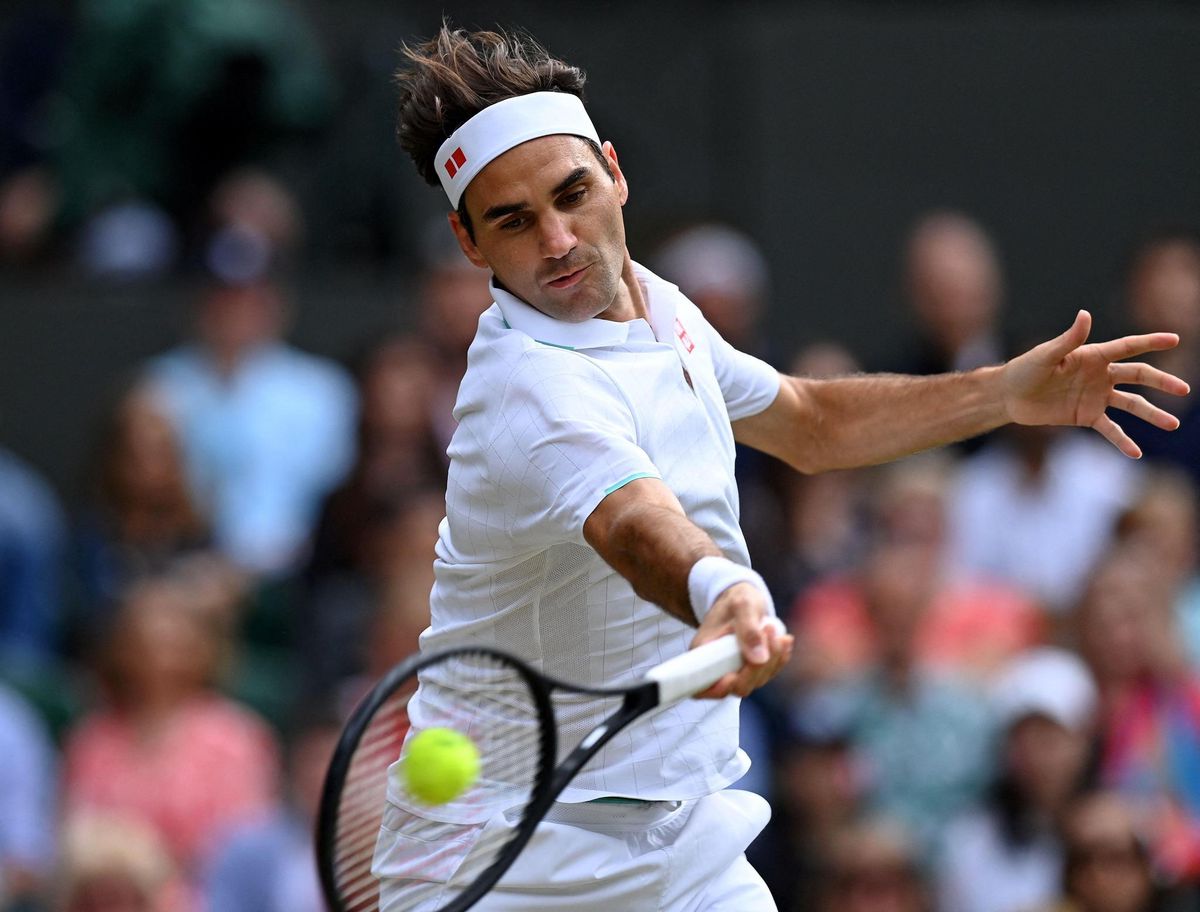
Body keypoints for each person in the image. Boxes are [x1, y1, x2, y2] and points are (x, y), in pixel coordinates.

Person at [382, 25, 1187, 911]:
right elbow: (630, 519)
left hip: (679, 833)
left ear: (615, 171)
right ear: (468, 239)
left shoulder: (660, 305)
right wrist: (721, 593)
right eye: (514, 221)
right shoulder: (526, 387)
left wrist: (1002, 393)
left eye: (573, 194)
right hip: (500, 851)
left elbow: (807, 422)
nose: (561, 239)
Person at [937, 648, 1099, 912]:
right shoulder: (970, 841)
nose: (1038, 755)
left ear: (1084, 740)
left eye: (1050, 737)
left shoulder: (1114, 837)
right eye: (1022, 738)